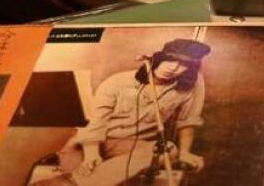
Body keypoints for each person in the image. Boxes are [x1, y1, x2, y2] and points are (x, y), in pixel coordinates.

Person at [33, 38, 211, 186]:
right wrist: (92, 153)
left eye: (184, 65)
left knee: (168, 149)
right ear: (158, 58)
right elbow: (96, 120)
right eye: (171, 60)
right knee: (91, 175)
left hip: (133, 148)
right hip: (88, 144)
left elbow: (187, 120)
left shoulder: (192, 86)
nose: (174, 68)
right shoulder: (118, 82)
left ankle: (69, 183)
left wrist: (185, 152)